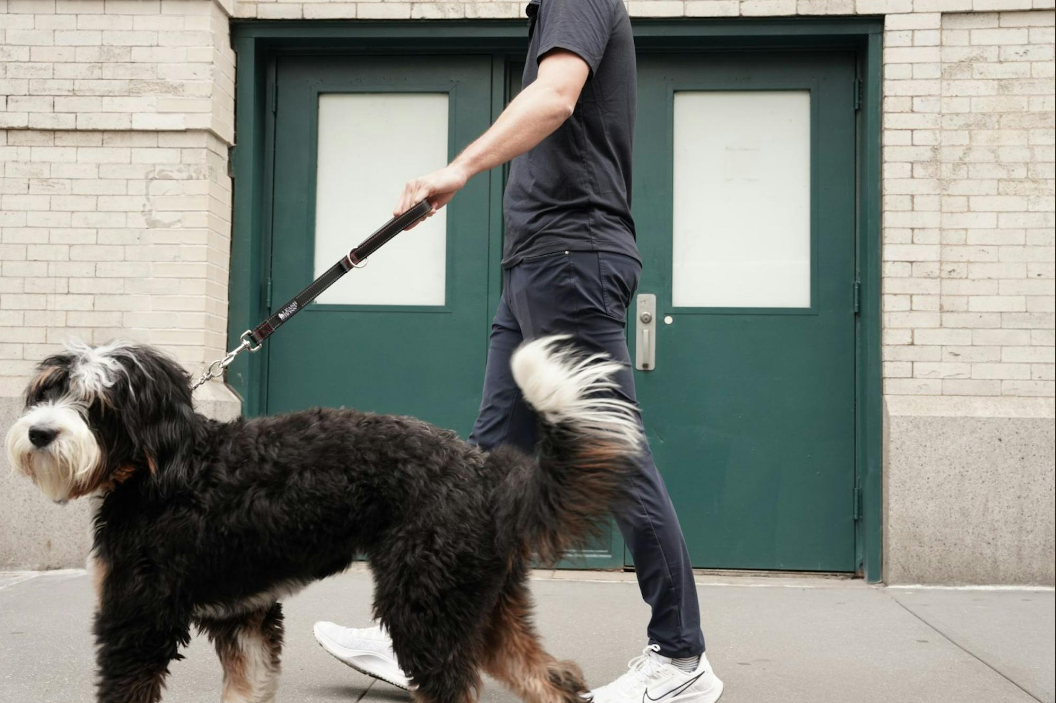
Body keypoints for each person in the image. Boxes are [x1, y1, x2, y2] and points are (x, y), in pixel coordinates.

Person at [313, 0, 723, 700]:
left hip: (570, 259)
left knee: (609, 452)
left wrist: (459, 168)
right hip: (537, 267)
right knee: (479, 469)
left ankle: (680, 655)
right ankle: (427, 625)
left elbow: (557, 97)